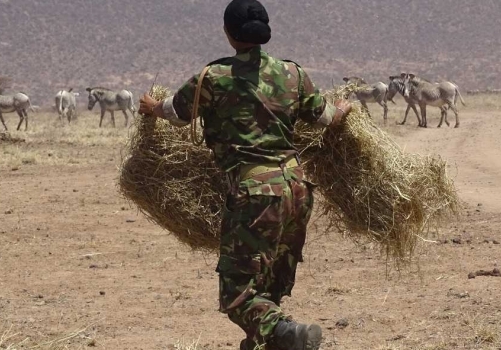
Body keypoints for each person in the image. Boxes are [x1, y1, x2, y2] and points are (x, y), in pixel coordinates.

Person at [139, 1, 352, 349]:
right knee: (270, 280)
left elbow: (177, 113)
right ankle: (265, 340)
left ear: (228, 33)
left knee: (237, 291)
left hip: (256, 192)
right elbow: (327, 117)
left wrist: (151, 108)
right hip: (297, 190)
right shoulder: (293, 75)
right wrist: (344, 109)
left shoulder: (214, 77)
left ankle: (288, 334)